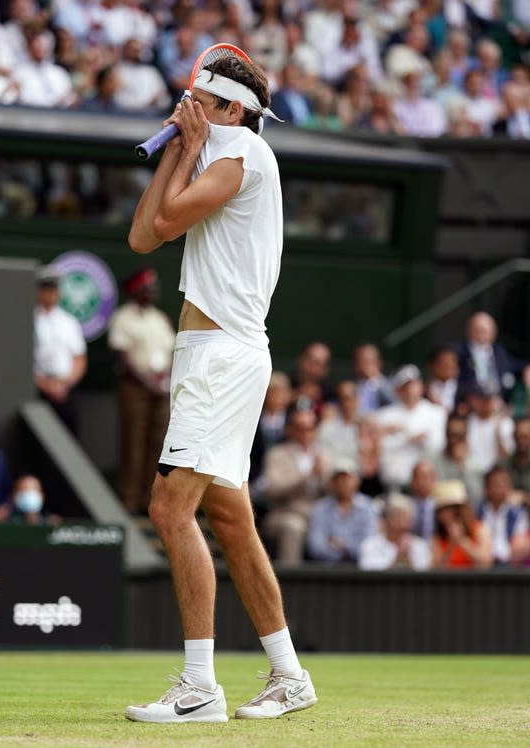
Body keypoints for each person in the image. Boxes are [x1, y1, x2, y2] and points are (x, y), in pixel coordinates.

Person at [124, 54, 317, 722]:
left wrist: (188, 146)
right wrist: (183, 148)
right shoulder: (217, 146)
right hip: (213, 356)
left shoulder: (242, 153)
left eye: (202, 100)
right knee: (230, 518)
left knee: (169, 509)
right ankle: (289, 674)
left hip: (221, 358)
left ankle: (200, 684)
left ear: (232, 109)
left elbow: (168, 220)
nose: (191, 108)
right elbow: (144, 235)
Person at [107, 267, 175, 515]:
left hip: (161, 388)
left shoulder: (160, 319)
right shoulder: (123, 318)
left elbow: (170, 353)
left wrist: (164, 380)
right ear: (136, 290)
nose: (153, 291)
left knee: (158, 444)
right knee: (133, 444)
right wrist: (150, 383)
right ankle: (128, 500)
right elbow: (123, 359)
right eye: (148, 287)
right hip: (136, 388)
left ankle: (150, 499)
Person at [260, 407, 324, 564]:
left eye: (310, 428)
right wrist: (306, 477)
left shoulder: (324, 454)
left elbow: (336, 488)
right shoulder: (277, 454)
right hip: (285, 513)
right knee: (293, 526)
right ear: (290, 430)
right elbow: (272, 489)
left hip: (320, 515)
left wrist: (324, 476)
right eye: (300, 428)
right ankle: (290, 583)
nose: (305, 433)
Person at [373, 364, 447, 490]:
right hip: (395, 482)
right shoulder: (384, 416)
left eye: (414, 385)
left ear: (421, 387)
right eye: (405, 387)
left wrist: (418, 439)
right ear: (397, 390)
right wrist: (407, 440)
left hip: (427, 485)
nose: (411, 390)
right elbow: (379, 447)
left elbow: (438, 445)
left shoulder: (436, 413)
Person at [33, 265, 87, 435]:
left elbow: (79, 358)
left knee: (69, 437)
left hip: (66, 390)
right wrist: (45, 385)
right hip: (38, 390)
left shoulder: (69, 321)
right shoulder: (30, 319)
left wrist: (65, 384)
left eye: (53, 289)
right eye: (46, 289)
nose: (50, 294)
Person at [306, 456, 378, 564]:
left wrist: (339, 544)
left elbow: (369, 546)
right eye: (337, 479)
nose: (342, 483)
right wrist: (349, 547)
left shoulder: (368, 508)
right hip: (327, 572)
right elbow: (316, 547)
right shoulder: (320, 508)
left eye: (346, 478)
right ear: (332, 482)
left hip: (361, 572)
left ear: (357, 481)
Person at [455, 311, 530, 405]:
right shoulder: (459, 352)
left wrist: (527, 369)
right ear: (468, 331)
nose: (481, 335)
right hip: (471, 406)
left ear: (493, 333)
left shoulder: (499, 351)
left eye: (485, 331)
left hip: (501, 406)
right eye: (477, 330)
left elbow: (516, 366)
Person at [359, 493, 432, 571]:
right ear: (387, 520)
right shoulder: (370, 545)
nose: (402, 524)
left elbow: (424, 576)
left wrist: (408, 559)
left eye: (407, 519)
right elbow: (368, 574)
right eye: (398, 518)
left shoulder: (420, 546)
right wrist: (397, 559)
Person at [431, 479, 493, 569]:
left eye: (448, 509)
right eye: (440, 511)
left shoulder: (480, 529)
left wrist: (462, 541)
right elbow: (436, 569)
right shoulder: (437, 538)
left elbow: (486, 563)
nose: (443, 515)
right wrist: (451, 545)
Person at [476, 465, 528, 566]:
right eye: (497, 484)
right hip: (484, 563)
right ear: (486, 488)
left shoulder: (517, 513)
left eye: (505, 483)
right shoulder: (477, 511)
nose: (502, 488)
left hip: (510, 563)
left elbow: (519, 541)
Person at [431, 412, 484, 505]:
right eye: (451, 434)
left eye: (459, 435)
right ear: (445, 432)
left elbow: (477, 498)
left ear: (466, 435)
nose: (453, 439)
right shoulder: (432, 460)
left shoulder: (475, 464)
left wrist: (462, 466)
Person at [352, 342, 394, 414]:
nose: (363, 366)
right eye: (359, 361)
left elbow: (396, 402)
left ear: (378, 362)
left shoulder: (389, 384)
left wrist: (376, 378)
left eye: (367, 361)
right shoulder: (352, 387)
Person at [500, 415, 530, 498]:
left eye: (526, 437)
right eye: (519, 436)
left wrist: (524, 498)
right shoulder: (502, 465)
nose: (522, 441)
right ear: (513, 436)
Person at [408, 459, 437, 543]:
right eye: (421, 477)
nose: (425, 481)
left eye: (429, 477)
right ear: (413, 481)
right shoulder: (406, 506)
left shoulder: (442, 507)